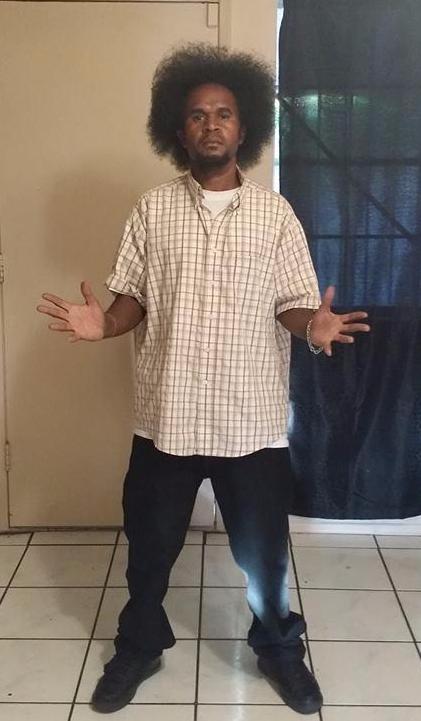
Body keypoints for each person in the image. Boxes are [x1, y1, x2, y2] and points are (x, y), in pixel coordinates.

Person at [37, 44, 370, 716]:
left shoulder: (275, 215)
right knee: (148, 549)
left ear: (244, 129)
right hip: (168, 417)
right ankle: (140, 645)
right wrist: (105, 324)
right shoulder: (151, 210)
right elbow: (133, 298)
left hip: (249, 421)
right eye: (197, 115)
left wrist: (313, 326)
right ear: (177, 129)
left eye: (223, 114)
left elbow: (291, 303)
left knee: (265, 557)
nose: (211, 124)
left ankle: (277, 647)